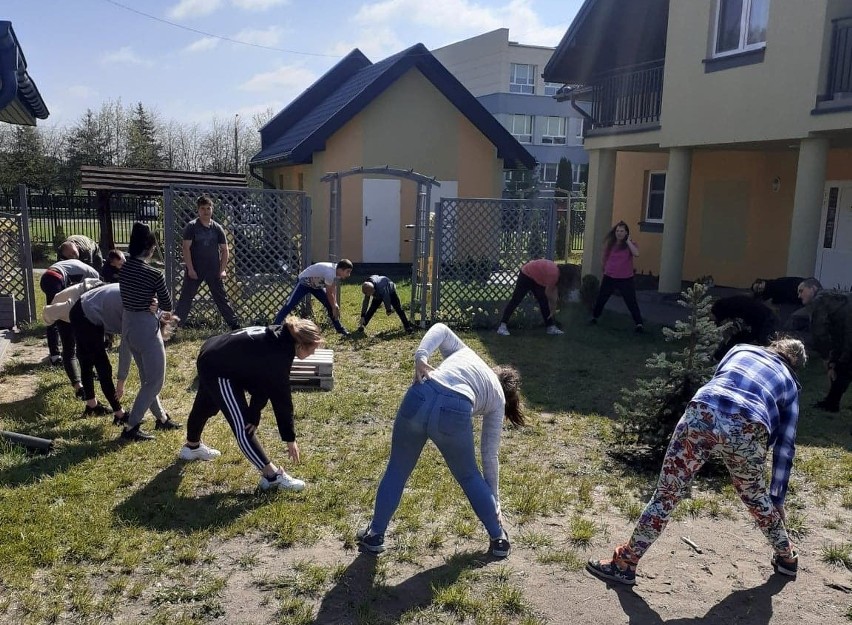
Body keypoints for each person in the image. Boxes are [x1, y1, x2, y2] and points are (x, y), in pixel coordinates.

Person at [586, 338, 806, 586]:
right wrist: (776, 498)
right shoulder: (790, 384)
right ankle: (787, 558)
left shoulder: (741, 349)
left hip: (704, 410)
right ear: (795, 365)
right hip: (749, 427)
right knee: (756, 498)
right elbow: (785, 448)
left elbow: (719, 382)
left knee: (667, 493)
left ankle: (625, 564)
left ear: (774, 345)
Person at [357, 323, 524, 557]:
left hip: (420, 393)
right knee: (469, 476)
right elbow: (489, 456)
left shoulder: (467, 353)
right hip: (453, 410)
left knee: (396, 469)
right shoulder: (497, 398)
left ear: (495, 369)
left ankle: (375, 534)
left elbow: (441, 329)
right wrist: (494, 499)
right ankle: (499, 539)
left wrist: (421, 356)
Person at [178, 318, 325, 492]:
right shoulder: (278, 355)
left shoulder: (280, 337)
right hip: (218, 366)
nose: (313, 353)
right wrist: (290, 438)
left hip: (214, 352)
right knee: (242, 424)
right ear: (301, 344)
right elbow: (282, 400)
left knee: (206, 404)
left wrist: (254, 413)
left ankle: (192, 447)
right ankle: (272, 477)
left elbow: (263, 382)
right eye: (313, 349)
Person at [118, 222, 180, 442]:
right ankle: (131, 427)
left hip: (129, 327)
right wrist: (157, 306)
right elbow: (167, 303)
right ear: (151, 247)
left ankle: (161, 419)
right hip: (146, 329)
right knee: (155, 381)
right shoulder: (154, 274)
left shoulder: (123, 268)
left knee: (147, 379)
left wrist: (151, 304)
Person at [174, 195, 240, 331]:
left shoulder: (217, 228)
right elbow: (186, 248)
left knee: (221, 298)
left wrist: (222, 269)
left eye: (208, 208)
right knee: (185, 299)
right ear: (198, 210)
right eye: (203, 208)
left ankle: (235, 326)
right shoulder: (192, 227)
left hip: (213, 269)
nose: (206, 211)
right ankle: (174, 329)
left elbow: (224, 250)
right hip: (195, 269)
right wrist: (190, 269)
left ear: (212, 210)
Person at [40, 258, 100, 380]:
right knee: (57, 317)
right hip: (55, 278)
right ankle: (56, 355)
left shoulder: (81, 269)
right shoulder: (94, 276)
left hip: (47, 277)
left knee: (59, 316)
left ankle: (58, 353)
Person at [799, 278, 852, 414]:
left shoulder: (819, 302)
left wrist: (826, 357)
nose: (799, 296)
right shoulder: (833, 298)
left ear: (813, 289)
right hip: (845, 337)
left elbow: (820, 333)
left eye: (801, 291)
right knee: (843, 368)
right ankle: (831, 402)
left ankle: (831, 403)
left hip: (847, 336)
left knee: (843, 367)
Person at [497, 259, 576, 336]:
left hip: (536, 277)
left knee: (543, 302)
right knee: (516, 300)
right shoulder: (554, 275)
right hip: (526, 274)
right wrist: (552, 306)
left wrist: (553, 307)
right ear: (567, 275)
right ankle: (502, 326)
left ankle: (550, 327)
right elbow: (548, 293)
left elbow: (553, 291)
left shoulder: (557, 274)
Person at [273, 259, 354, 335]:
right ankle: (275, 327)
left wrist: (335, 304)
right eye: (348, 272)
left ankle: (340, 330)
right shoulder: (330, 273)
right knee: (290, 304)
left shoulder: (336, 271)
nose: (349, 275)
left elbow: (333, 288)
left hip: (315, 286)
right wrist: (334, 305)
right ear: (341, 269)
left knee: (331, 305)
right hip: (303, 283)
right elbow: (329, 293)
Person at [590, 221, 644, 332]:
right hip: (609, 277)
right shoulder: (611, 244)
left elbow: (636, 254)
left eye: (622, 231)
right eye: (617, 231)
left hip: (625, 278)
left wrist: (628, 241)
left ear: (626, 233)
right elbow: (604, 258)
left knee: (631, 301)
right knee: (601, 298)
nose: (619, 233)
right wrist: (605, 268)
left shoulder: (630, 244)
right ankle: (594, 317)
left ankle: (639, 324)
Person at [710, 295, 779, 361]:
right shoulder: (730, 305)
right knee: (741, 338)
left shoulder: (728, 307)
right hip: (759, 320)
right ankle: (719, 356)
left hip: (763, 321)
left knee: (759, 340)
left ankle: (719, 356)